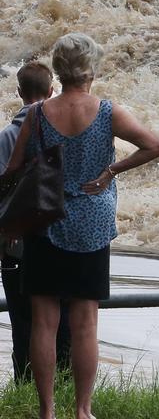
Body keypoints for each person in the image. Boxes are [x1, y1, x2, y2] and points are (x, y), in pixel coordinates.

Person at [3, 33, 159, 419]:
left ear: (58, 71)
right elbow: (155, 146)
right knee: (85, 323)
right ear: (91, 69)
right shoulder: (109, 112)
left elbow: (12, 171)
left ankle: (47, 411)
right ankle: (82, 410)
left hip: (46, 221)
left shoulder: (39, 115)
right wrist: (111, 170)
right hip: (91, 224)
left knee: (44, 322)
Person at [0, 62, 71, 381]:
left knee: (23, 320)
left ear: (18, 93)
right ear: (51, 90)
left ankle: (25, 384)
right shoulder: (67, 131)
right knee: (65, 316)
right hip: (62, 238)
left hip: (16, 242)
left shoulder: (5, 137)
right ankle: (67, 384)